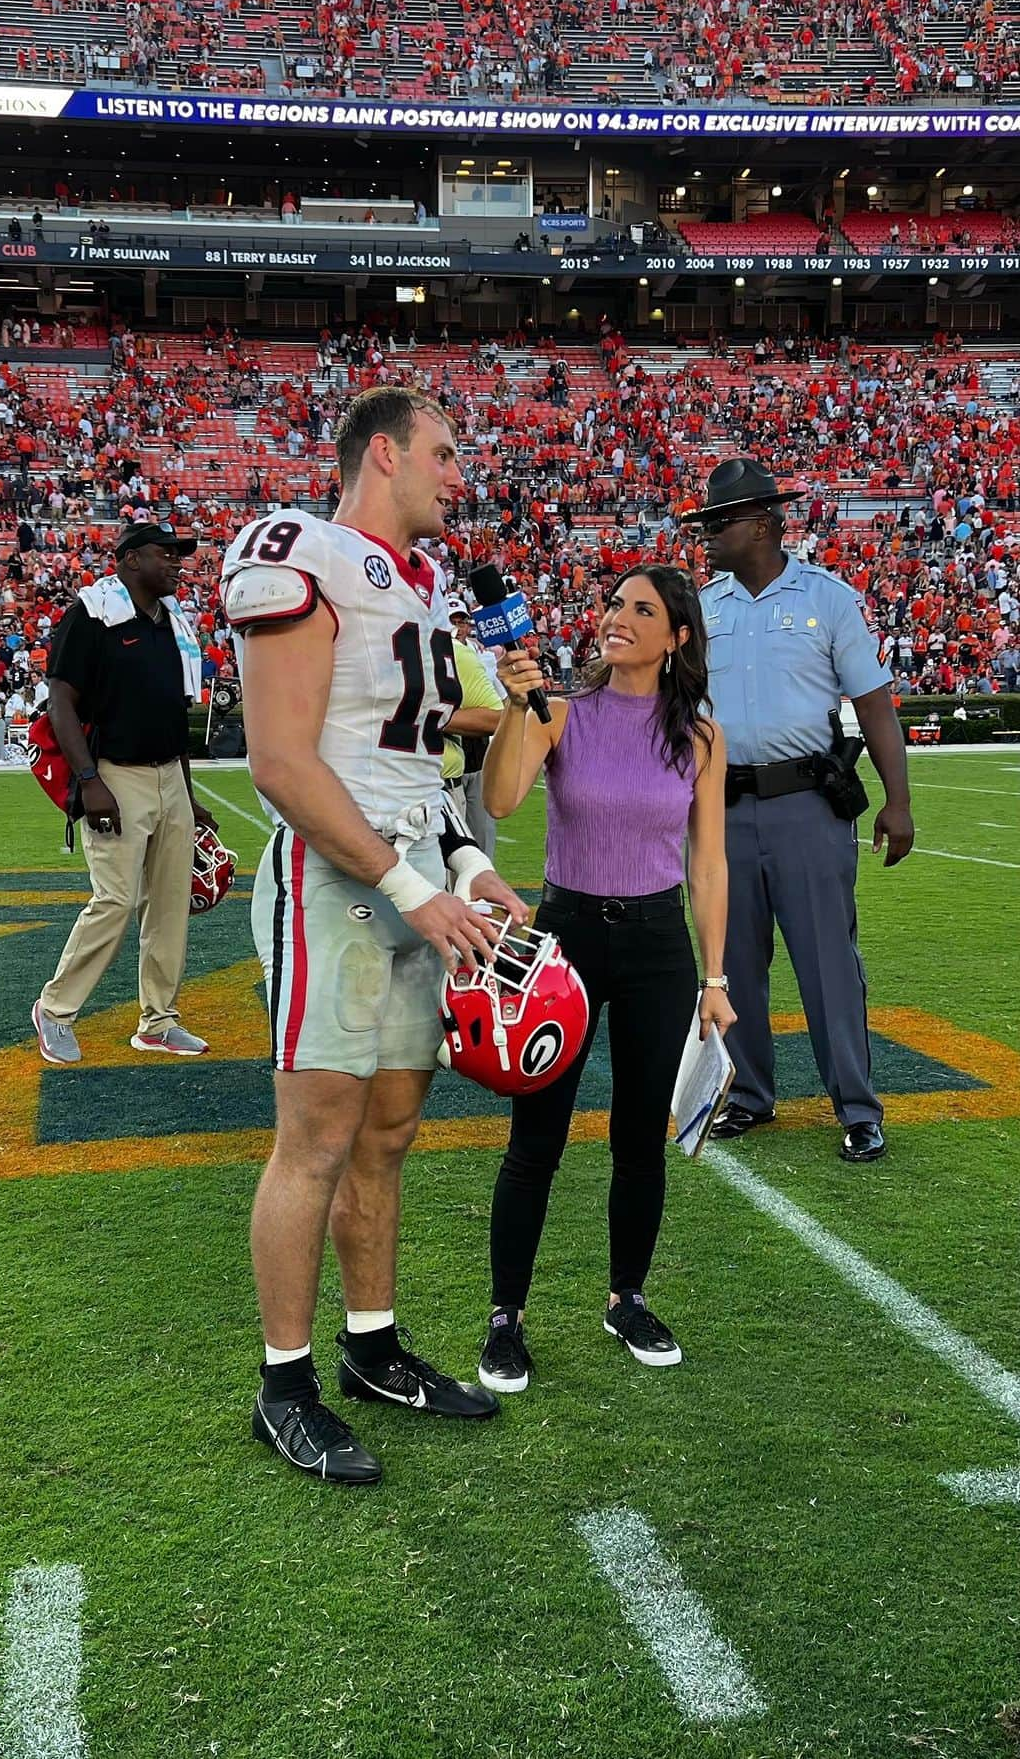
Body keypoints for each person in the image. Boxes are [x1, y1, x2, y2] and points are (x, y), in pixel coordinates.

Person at [220, 387, 528, 1489]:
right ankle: (284, 1383)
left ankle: (372, 1346)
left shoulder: (424, 585)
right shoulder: (298, 549)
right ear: (384, 452)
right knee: (315, 1136)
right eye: (444, 452)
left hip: (411, 878)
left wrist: (471, 868)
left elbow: (413, 771)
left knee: (391, 1131)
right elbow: (282, 762)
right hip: (336, 882)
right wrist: (410, 883)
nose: (459, 472)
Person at [475, 566, 734, 1392]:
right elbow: (503, 797)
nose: (617, 618)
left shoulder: (698, 734)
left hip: (660, 946)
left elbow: (709, 863)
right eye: (614, 604)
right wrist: (518, 704)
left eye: (642, 609)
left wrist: (717, 976)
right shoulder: (560, 711)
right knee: (536, 1140)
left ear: (677, 637)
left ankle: (627, 1297)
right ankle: (505, 1316)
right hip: (566, 939)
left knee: (638, 1142)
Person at [691, 459, 914, 1165]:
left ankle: (856, 1106)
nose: (707, 537)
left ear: (761, 523)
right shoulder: (703, 606)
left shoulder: (828, 599)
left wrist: (898, 801)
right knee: (734, 962)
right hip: (725, 806)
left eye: (718, 523)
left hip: (807, 805)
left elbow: (874, 702)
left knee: (827, 962)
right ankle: (751, 1095)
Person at [31, 523, 217, 1067]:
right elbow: (61, 702)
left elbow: (171, 714)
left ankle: (158, 1020)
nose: (178, 564)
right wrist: (90, 780)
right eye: (167, 554)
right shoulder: (92, 614)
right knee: (115, 899)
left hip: (168, 776)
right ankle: (55, 1008)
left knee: (168, 904)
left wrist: (187, 791)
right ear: (132, 559)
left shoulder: (169, 622)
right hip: (116, 774)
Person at [445, 595, 503, 860]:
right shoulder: (443, 652)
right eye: (452, 621)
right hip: (450, 758)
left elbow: (499, 707)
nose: (458, 627)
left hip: (478, 755)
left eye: (461, 621)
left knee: (481, 834)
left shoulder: (482, 657)